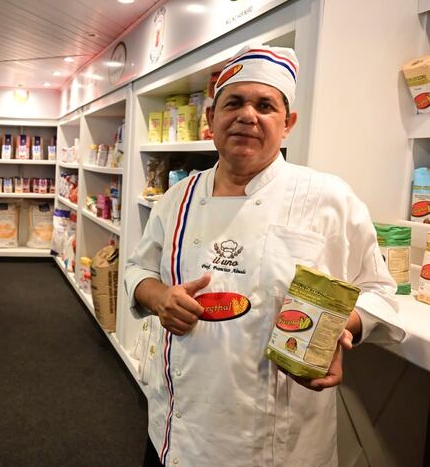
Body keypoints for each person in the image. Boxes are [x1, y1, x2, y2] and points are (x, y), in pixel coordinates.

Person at [125, 44, 406, 467]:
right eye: (233, 103)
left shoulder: (327, 198)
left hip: (277, 446)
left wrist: (332, 326)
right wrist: (159, 297)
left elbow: (381, 294)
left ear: (287, 123)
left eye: (265, 105)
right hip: (177, 433)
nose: (247, 116)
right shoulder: (177, 199)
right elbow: (137, 269)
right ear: (211, 119)